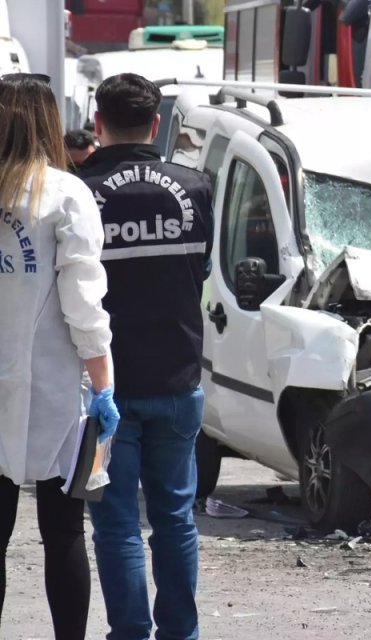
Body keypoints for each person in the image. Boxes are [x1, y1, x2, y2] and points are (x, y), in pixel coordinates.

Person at [76, 73, 213, 640]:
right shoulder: (195, 186)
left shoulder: (77, 190)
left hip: (102, 387)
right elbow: (199, 272)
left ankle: (129, 633)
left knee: (115, 525)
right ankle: (180, 633)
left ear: (98, 123)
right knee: (175, 519)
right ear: (157, 125)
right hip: (179, 379)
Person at [0, 73, 118, 640]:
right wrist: (105, 384)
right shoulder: (65, 194)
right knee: (64, 529)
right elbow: (83, 302)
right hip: (56, 387)